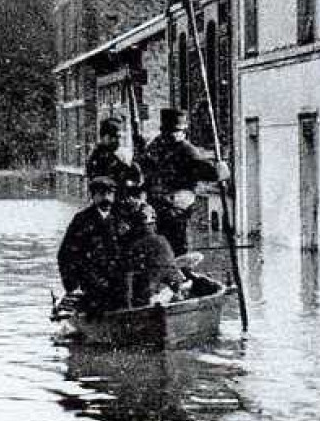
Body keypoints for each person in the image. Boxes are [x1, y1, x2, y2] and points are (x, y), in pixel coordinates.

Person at [140, 107, 226, 254]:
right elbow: (145, 166)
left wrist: (219, 169)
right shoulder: (168, 147)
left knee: (170, 245)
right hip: (166, 206)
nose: (173, 135)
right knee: (169, 246)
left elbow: (210, 173)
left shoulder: (171, 148)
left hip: (168, 206)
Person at [56, 176, 128, 312]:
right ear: (93, 196)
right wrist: (72, 286)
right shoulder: (81, 220)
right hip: (91, 284)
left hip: (119, 284)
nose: (106, 198)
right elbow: (65, 256)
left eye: (110, 194)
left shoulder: (122, 218)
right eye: (101, 194)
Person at [121, 200, 186, 306]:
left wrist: (128, 304)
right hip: (158, 289)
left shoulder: (138, 243)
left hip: (151, 292)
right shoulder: (160, 240)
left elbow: (129, 274)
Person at [84, 117, 143, 203]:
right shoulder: (97, 157)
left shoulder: (121, 155)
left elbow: (136, 178)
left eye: (119, 137)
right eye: (114, 137)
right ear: (104, 137)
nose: (117, 141)